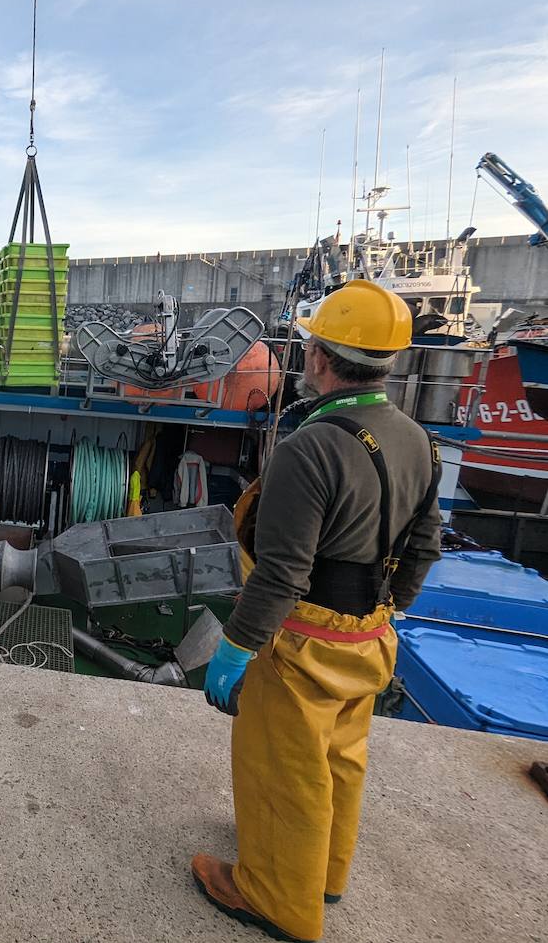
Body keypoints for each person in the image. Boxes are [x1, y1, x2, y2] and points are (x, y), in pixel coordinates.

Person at [192, 280, 442, 943]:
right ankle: (324, 873)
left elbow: (282, 571)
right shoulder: (419, 439)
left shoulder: (311, 447)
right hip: (372, 636)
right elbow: (425, 545)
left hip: (303, 638)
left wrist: (236, 646)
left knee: (284, 767)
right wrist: (385, 611)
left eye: (310, 346)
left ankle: (273, 896)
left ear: (323, 359)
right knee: (339, 760)